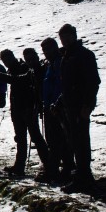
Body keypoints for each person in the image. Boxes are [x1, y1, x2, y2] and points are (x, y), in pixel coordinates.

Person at [52, 24, 101, 193]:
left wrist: (87, 105)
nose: (64, 40)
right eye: (62, 37)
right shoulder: (67, 55)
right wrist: (60, 102)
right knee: (75, 140)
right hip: (70, 105)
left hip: (80, 105)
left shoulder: (83, 55)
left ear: (74, 36)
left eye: (67, 36)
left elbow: (93, 81)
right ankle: (82, 175)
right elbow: (67, 85)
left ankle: (84, 177)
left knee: (81, 141)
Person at [0, 49, 52, 178]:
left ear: (12, 57)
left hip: (28, 108)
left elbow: (17, 81)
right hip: (18, 109)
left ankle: (48, 165)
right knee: (21, 138)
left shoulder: (23, 68)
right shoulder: (17, 68)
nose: (6, 63)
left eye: (7, 59)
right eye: (4, 60)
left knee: (35, 137)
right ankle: (20, 166)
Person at [40, 37, 75, 181]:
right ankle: (59, 170)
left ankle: (60, 171)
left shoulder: (61, 62)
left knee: (59, 140)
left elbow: (63, 85)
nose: (46, 52)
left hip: (60, 106)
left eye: (48, 49)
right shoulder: (51, 64)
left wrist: (58, 103)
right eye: (44, 50)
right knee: (54, 140)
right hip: (51, 106)